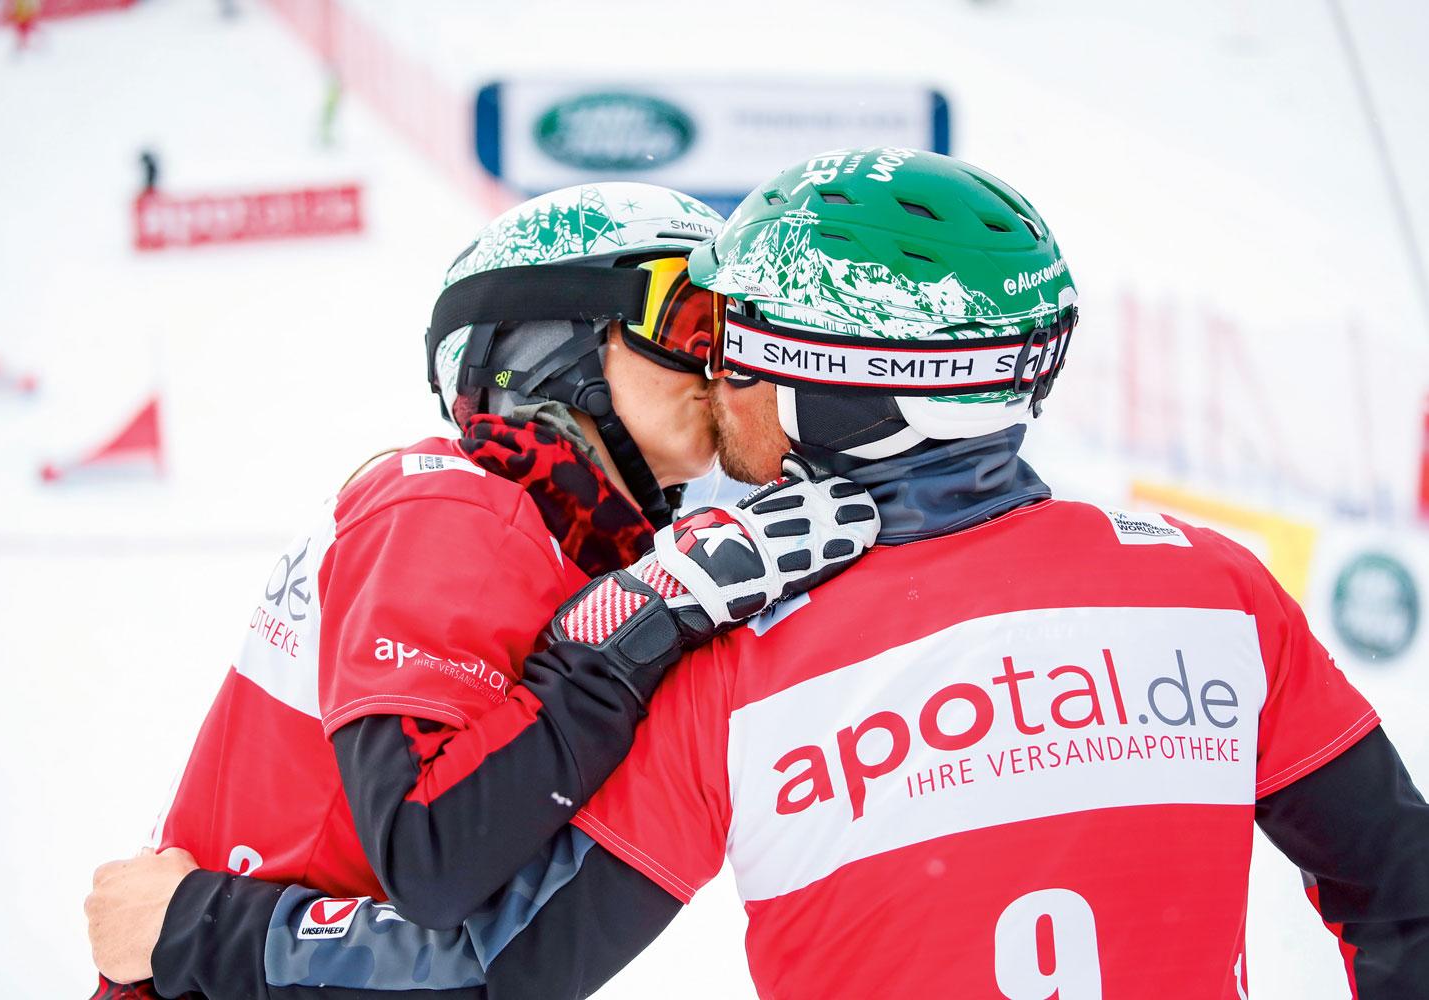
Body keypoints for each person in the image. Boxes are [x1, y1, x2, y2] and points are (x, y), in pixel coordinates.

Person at [89, 149, 1429, 998]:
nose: (720, 382)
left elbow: (492, 969)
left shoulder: (743, 662)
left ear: (841, 394)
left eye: (741, 350)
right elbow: (1404, 893)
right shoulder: (1213, 587)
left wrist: (206, 931)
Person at [84, 180, 878, 999]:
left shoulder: (562, 550)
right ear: (543, 343)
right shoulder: (454, 501)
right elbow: (431, 854)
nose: (717, 372)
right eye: (686, 324)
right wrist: (630, 632)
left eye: (730, 342)